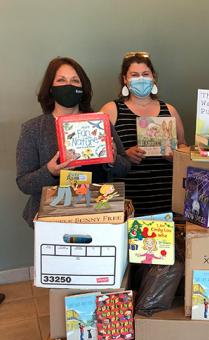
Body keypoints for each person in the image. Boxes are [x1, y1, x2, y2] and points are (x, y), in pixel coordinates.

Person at [16, 57, 130, 227]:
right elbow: (24, 183)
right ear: (51, 88)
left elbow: (126, 167)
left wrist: (113, 159)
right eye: (61, 80)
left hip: (100, 216)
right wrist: (50, 171)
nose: (68, 85)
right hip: (51, 221)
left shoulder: (99, 123)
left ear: (83, 88)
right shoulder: (33, 129)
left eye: (75, 81)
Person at [100, 52, 186, 217]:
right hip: (126, 200)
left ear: (153, 77)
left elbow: (183, 146)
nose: (141, 79)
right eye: (134, 75)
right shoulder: (111, 110)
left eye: (145, 74)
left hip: (165, 198)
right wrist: (124, 155)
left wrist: (176, 155)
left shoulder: (170, 110)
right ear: (125, 79)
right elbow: (100, 152)